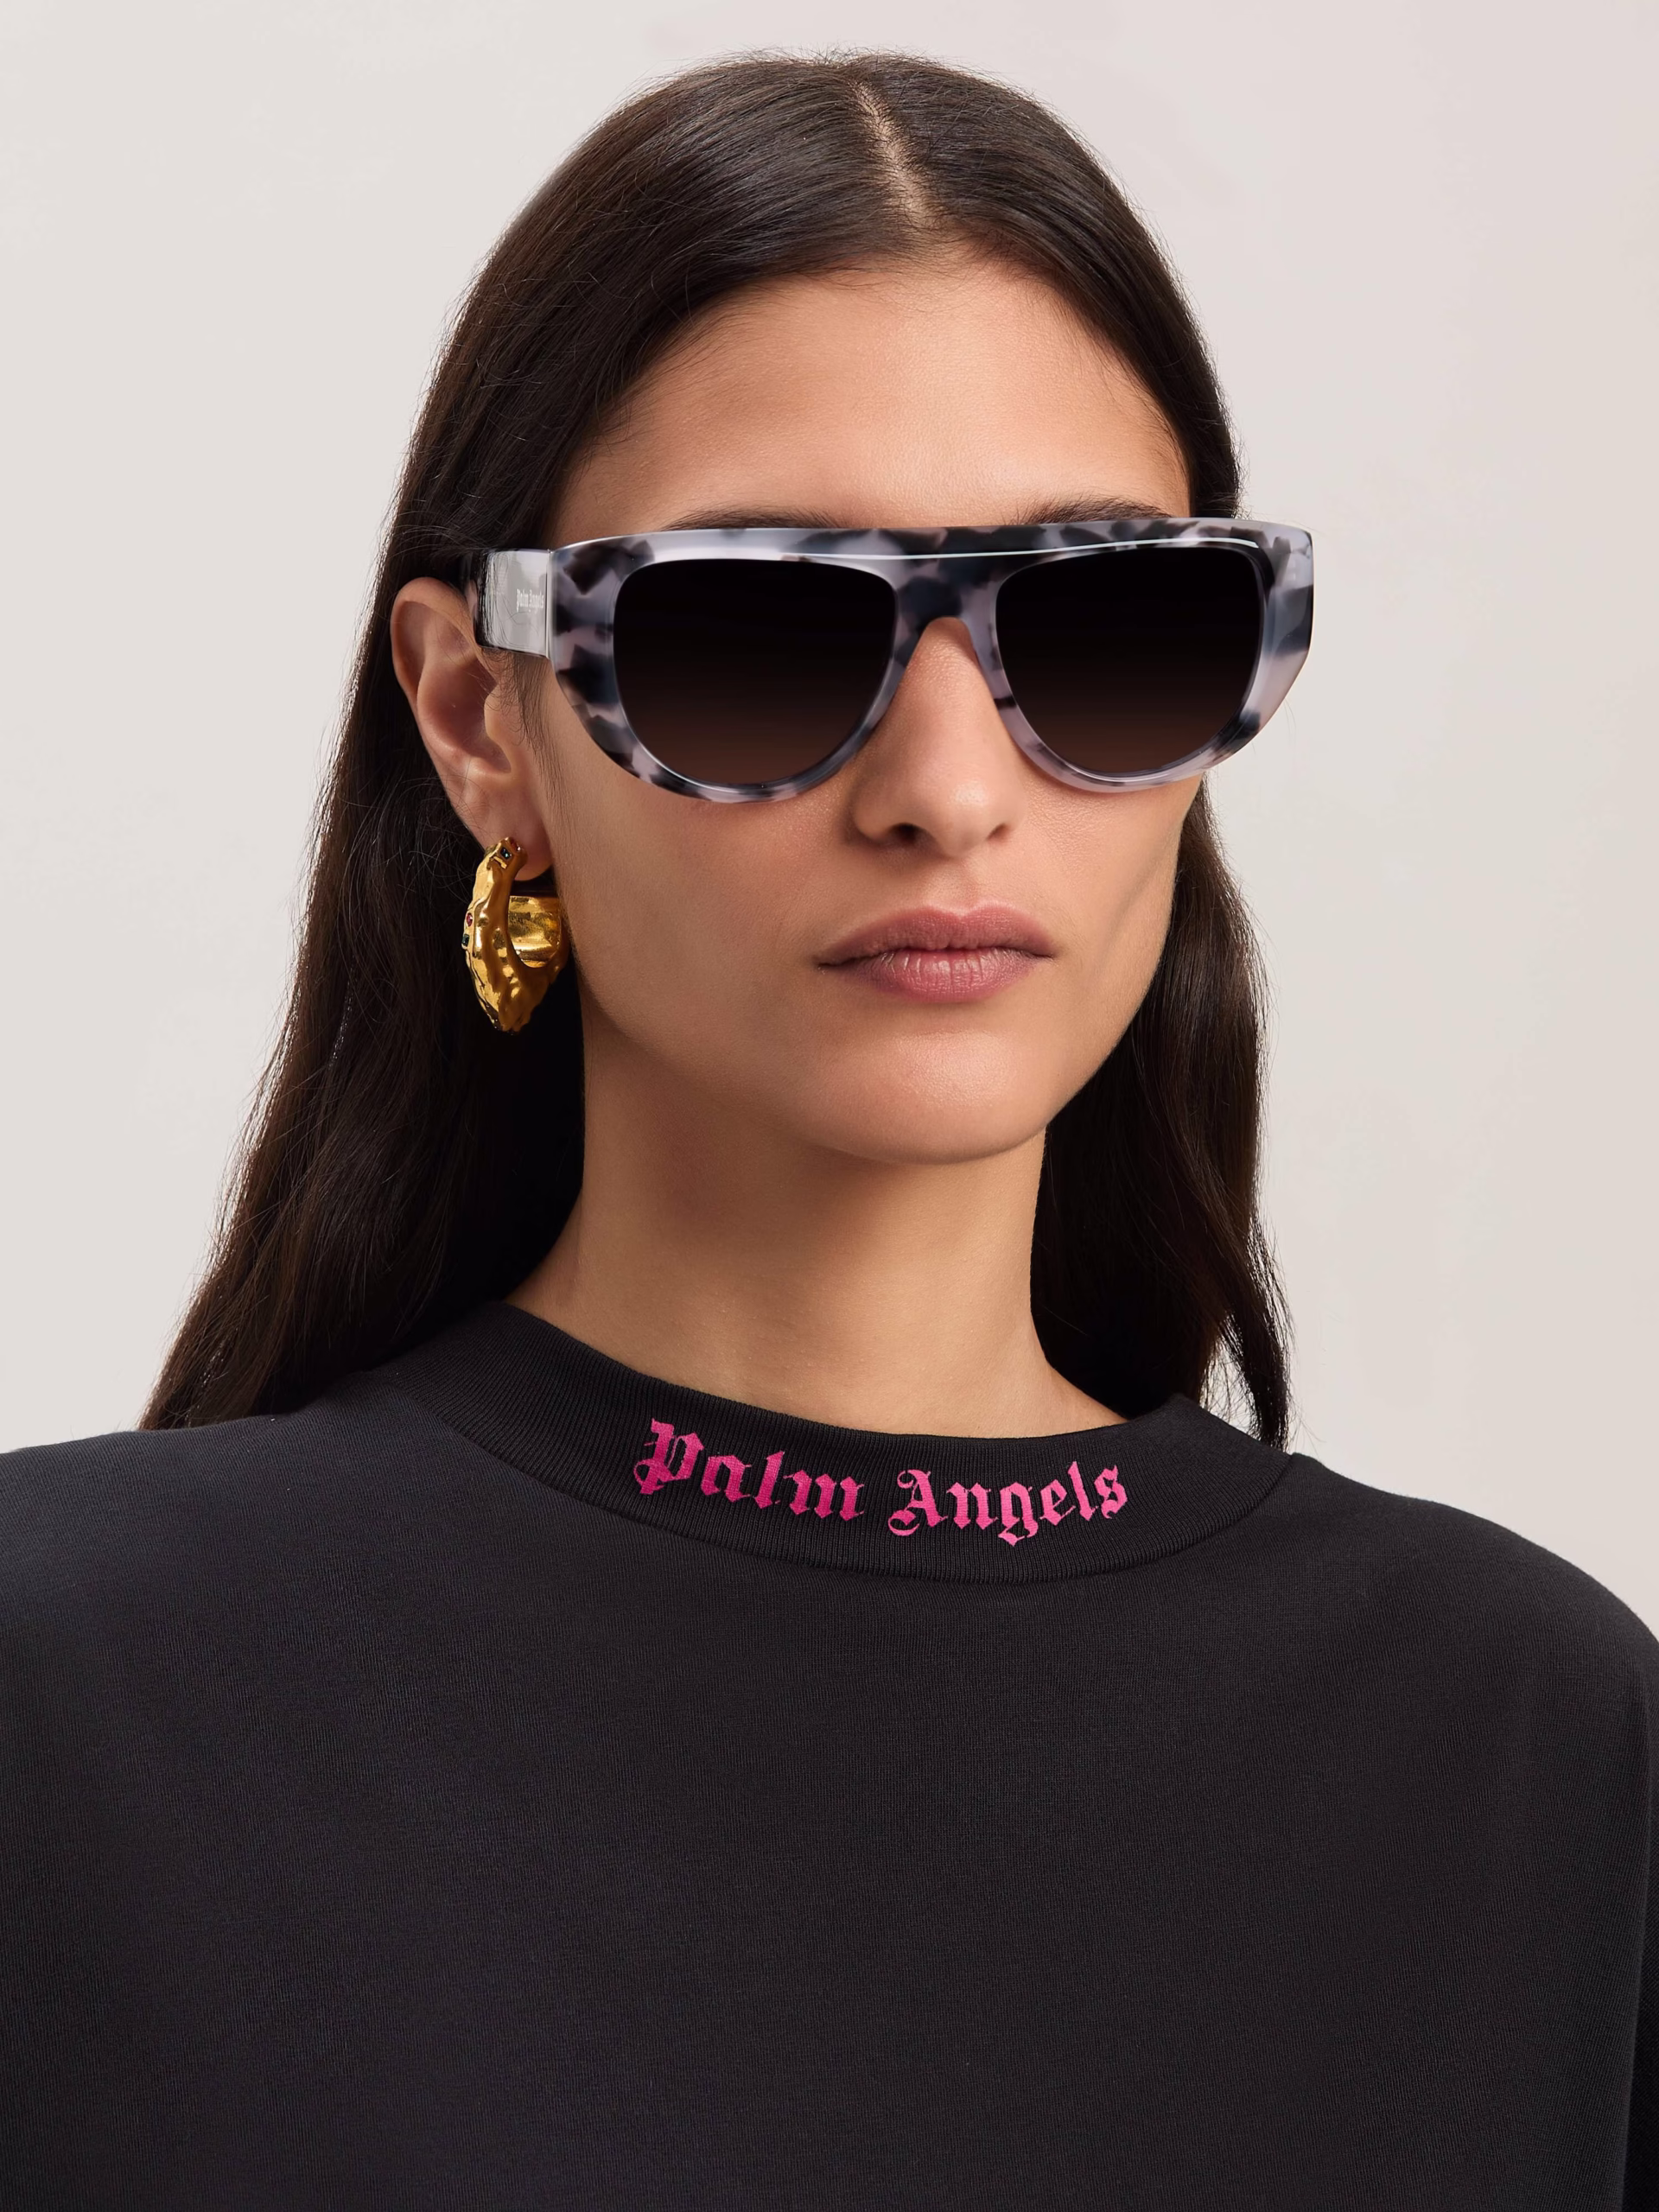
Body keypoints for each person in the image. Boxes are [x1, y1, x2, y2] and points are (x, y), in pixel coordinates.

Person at [1, 52, 1651, 2210]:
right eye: (760, 634)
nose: (948, 790)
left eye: (1106, 632)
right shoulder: (66, 1690)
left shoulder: (1538, 1755)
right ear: (484, 719)